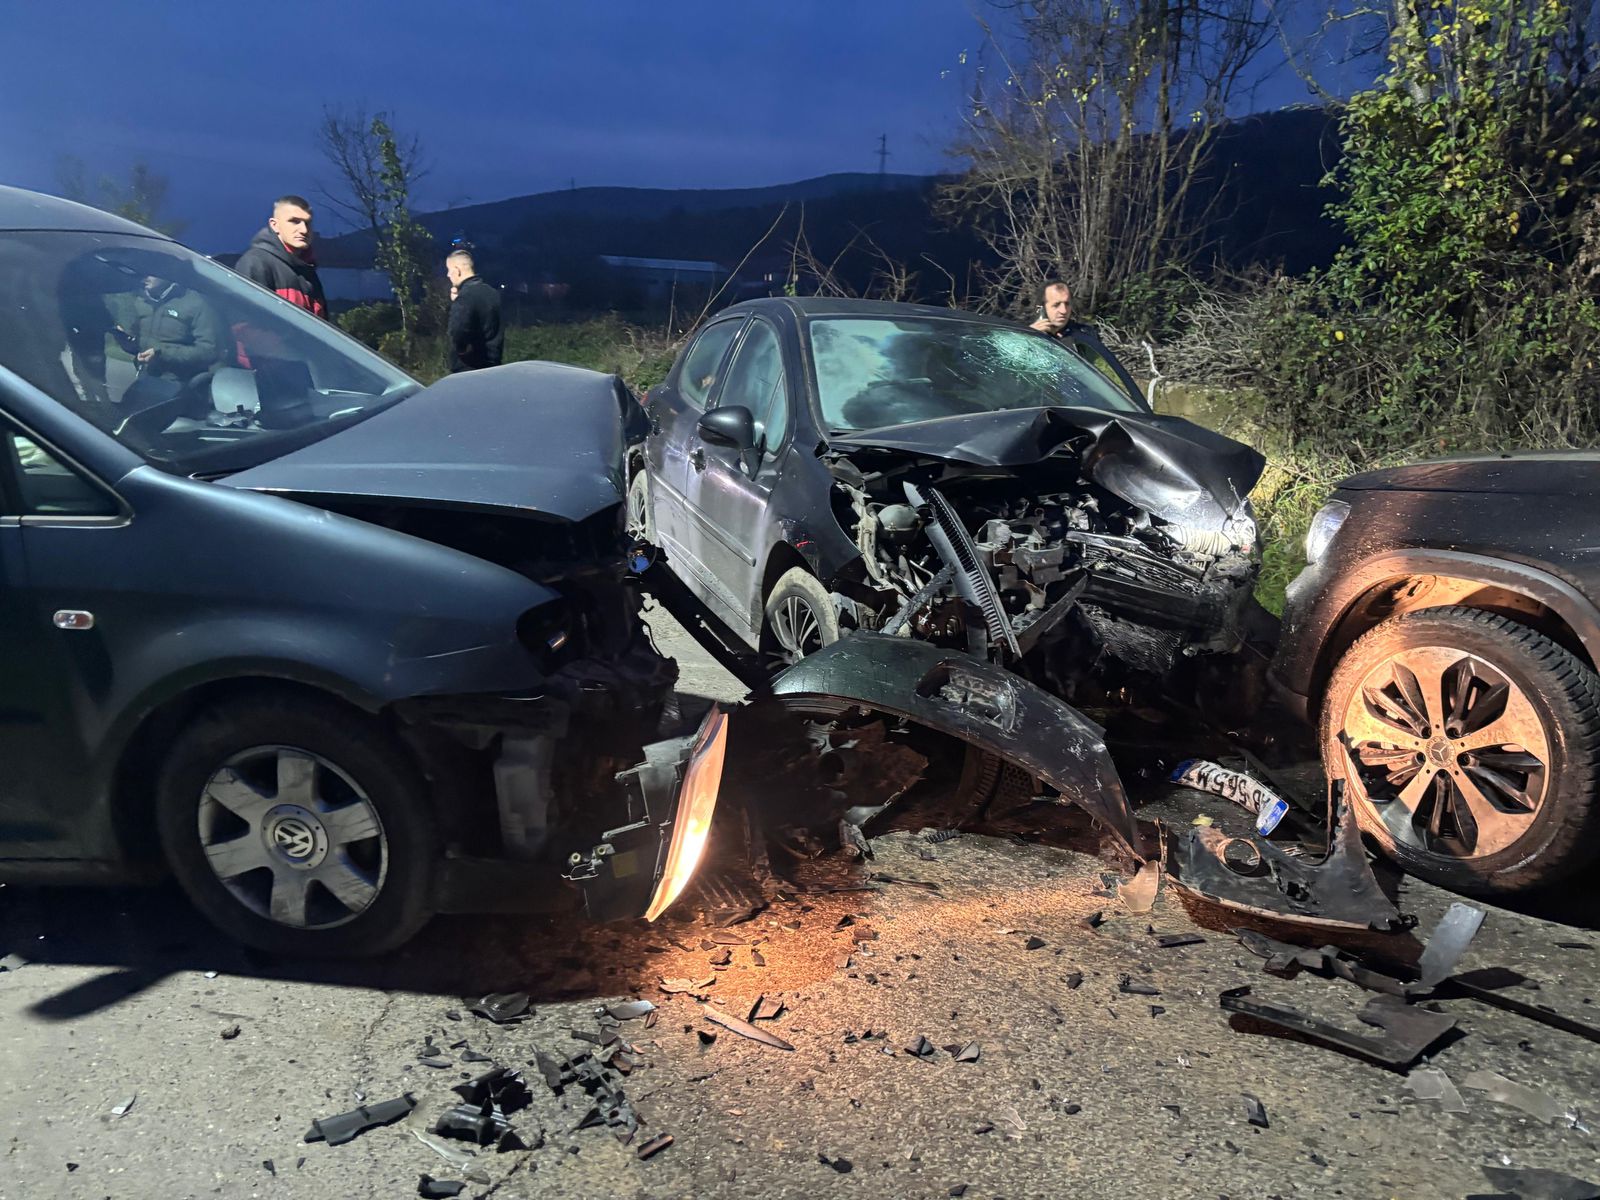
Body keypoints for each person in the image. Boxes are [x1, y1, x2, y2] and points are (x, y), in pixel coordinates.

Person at [1028, 278, 1144, 403]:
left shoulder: (1085, 336)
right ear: (1042, 309)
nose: (1063, 311)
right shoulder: (1024, 335)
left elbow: (1103, 377)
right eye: (1056, 305)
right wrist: (1029, 338)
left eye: (1067, 304)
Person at [112, 274, 226, 383]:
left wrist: (163, 354)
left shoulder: (196, 303)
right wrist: (127, 342)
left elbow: (209, 350)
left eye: (151, 273)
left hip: (181, 384)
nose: (144, 278)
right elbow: (139, 345)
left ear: (166, 272)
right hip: (145, 378)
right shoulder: (140, 300)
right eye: (144, 273)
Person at [235, 195, 327, 318]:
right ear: (275, 225)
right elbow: (248, 321)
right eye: (294, 221)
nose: (304, 230)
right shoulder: (256, 263)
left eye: (308, 223)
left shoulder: (309, 273)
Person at [446, 248, 503, 372]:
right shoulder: (492, 293)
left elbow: (457, 333)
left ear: (457, 270)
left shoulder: (465, 297)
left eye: (449, 270)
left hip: (468, 370)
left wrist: (462, 354)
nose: (448, 275)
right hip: (494, 367)